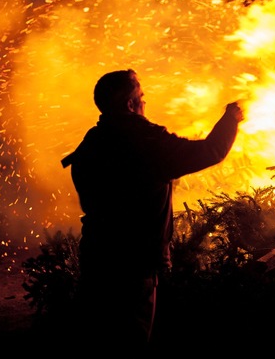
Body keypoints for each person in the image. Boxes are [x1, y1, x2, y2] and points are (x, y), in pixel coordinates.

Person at [60, 69, 243, 352]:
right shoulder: (143, 142)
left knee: (95, 342)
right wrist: (231, 119)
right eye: (141, 98)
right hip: (133, 267)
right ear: (130, 103)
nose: (145, 104)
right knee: (129, 344)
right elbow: (210, 151)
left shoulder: (92, 143)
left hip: (97, 259)